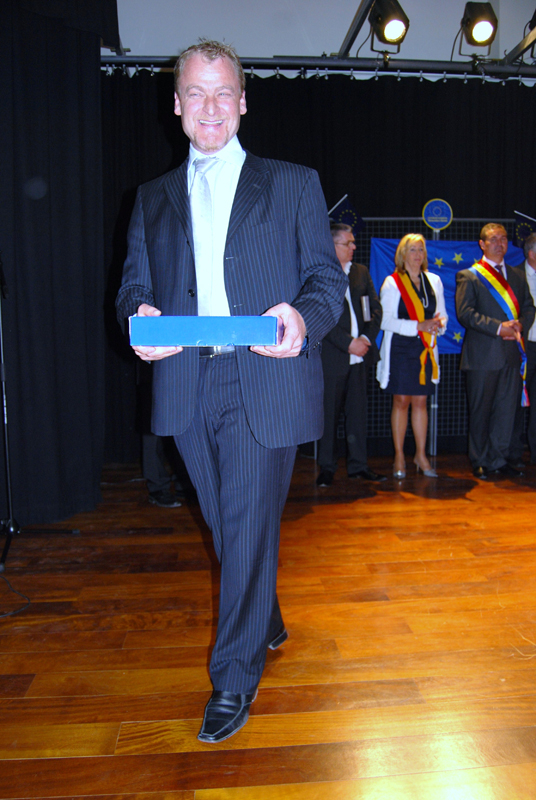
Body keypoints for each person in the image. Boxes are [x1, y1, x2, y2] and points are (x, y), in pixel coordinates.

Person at [116, 40, 346, 743]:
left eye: (223, 92)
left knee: (244, 523)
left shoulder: (293, 183)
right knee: (225, 522)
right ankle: (264, 615)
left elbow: (325, 280)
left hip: (263, 374)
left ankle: (235, 676)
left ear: (243, 101)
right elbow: (133, 286)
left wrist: (301, 318)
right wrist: (139, 319)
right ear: (177, 104)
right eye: (196, 93)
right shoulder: (151, 198)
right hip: (187, 376)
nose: (210, 106)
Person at [456, 223, 535, 479]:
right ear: (482, 244)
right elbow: (465, 314)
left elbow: (529, 307)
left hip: (512, 354)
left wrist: (520, 325)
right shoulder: (469, 276)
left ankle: (499, 459)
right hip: (482, 356)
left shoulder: (517, 276)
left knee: (506, 411)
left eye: (503, 238)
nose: (499, 243)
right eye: (493, 239)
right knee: (481, 411)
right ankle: (480, 460)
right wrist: (499, 328)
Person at [316, 223, 385, 487]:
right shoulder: (319, 273)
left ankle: (358, 466)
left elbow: (374, 310)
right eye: (348, 243)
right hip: (333, 357)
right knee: (329, 415)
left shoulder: (360, 272)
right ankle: (326, 467)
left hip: (360, 356)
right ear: (332, 245)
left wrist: (365, 339)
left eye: (353, 242)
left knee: (357, 414)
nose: (354, 247)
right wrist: (348, 343)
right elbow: (319, 316)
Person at [376, 233, 447, 478]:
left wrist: (438, 325)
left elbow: (442, 316)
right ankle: (399, 455)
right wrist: (418, 326)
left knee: (420, 402)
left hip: (425, 349)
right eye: (413, 250)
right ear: (403, 254)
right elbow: (385, 321)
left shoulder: (434, 280)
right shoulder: (392, 282)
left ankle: (420, 455)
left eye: (421, 250)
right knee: (401, 401)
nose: (418, 255)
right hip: (400, 349)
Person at [510, 232, 536, 466]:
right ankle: (514, 454)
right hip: (522, 347)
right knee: (517, 401)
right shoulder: (514, 276)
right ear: (531, 253)